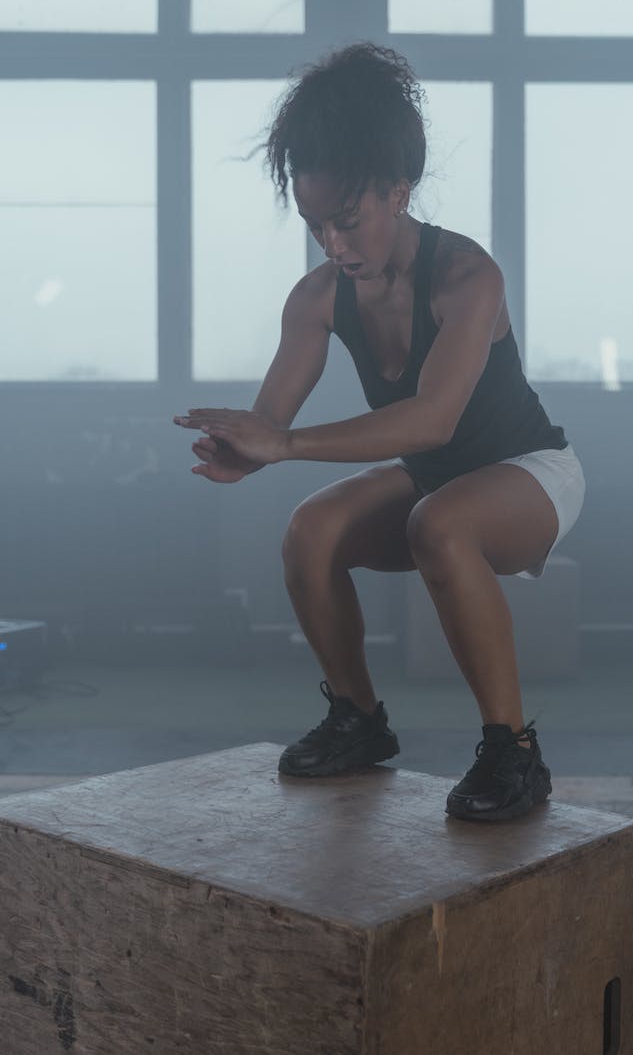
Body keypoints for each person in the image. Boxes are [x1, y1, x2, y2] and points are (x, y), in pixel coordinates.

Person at [173, 42, 586, 822]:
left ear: (398, 192)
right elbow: (273, 425)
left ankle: (513, 754)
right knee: (311, 529)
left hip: (529, 474)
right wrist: (245, 448)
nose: (333, 245)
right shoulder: (319, 296)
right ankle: (358, 722)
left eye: (347, 222)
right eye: (315, 225)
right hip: (435, 479)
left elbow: (433, 420)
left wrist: (284, 447)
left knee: (440, 520)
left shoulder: (467, 276)